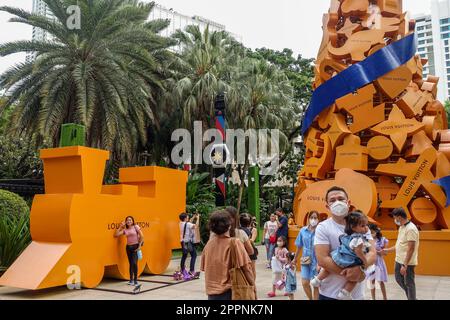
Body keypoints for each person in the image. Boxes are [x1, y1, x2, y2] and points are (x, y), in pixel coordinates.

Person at [314, 186, 377, 300]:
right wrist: (353, 275)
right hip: (329, 294)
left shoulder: (362, 225)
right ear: (327, 206)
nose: (337, 202)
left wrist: (361, 269)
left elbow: (372, 253)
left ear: (348, 203)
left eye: (341, 198)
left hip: (356, 295)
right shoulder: (323, 227)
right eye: (332, 200)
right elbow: (322, 259)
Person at [201, 210, 254, 300]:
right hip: (231, 293)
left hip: (211, 294)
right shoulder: (234, 243)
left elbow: (204, 268)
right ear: (229, 226)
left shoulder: (208, 245)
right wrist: (253, 287)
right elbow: (246, 269)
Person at [383, 208, 419, 300]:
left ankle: (412, 298)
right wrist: (387, 250)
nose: (395, 220)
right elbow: (399, 245)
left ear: (399, 217)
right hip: (398, 259)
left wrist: (405, 265)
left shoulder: (411, 229)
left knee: (409, 283)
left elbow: (411, 248)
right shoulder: (402, 227)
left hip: (407, 262)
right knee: (399, 279)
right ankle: (412, 297)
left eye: (395, 218)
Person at [293, 211, 320, 300]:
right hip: (305, 259)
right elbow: (299, 245)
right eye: (311, 217)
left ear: (318, 219)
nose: (313, 220)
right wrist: (295, 259)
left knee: (316, 284)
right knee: (305, 282)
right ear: (308, 219)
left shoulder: (320, 231)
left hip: (317, 260)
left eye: (315, 218)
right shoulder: (303, 230)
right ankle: (310, 298)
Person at [114, 216, 144, 286]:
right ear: (126, 222)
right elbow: (116, 235)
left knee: (134, 263)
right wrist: (120, 227)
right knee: (131, 264)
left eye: (130, 220)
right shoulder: (125, 230)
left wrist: (139, 246)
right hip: (128, 247)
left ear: (132, 221)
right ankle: (131, 280)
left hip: (135, 246)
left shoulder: (136, 227)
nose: (129, 221)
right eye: (127, 220)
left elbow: (142, 236)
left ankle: (136, 280)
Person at [367, 223, 389, 300]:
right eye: (370, 232)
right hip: (371, 262)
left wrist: (378, 252)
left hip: (379, 262)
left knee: (381, 281)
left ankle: (385, 298)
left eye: (372, 232)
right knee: (371, 280)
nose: (371, 234)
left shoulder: (383, 240)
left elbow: (385, 252)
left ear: (376, 231)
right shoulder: (367, 240)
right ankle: (373, 298)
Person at [179, 212, 200, 279]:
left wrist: (193, 217)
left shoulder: (181, 223)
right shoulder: (187, 224)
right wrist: (198, 218)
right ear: (185, 218)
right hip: (188, 243)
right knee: (194, 255)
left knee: (184, 256)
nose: (188, 217)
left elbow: (188, 222)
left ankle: (182, 270)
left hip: (183, 242)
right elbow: (195, 226)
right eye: (187, 217)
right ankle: (191, 270)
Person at [240, 213, 258, 280]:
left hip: (250, 250)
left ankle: (252, 285)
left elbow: (252, 240)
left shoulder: (253, 229)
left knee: (252, 268)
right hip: (244, 250)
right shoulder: (239, 230)